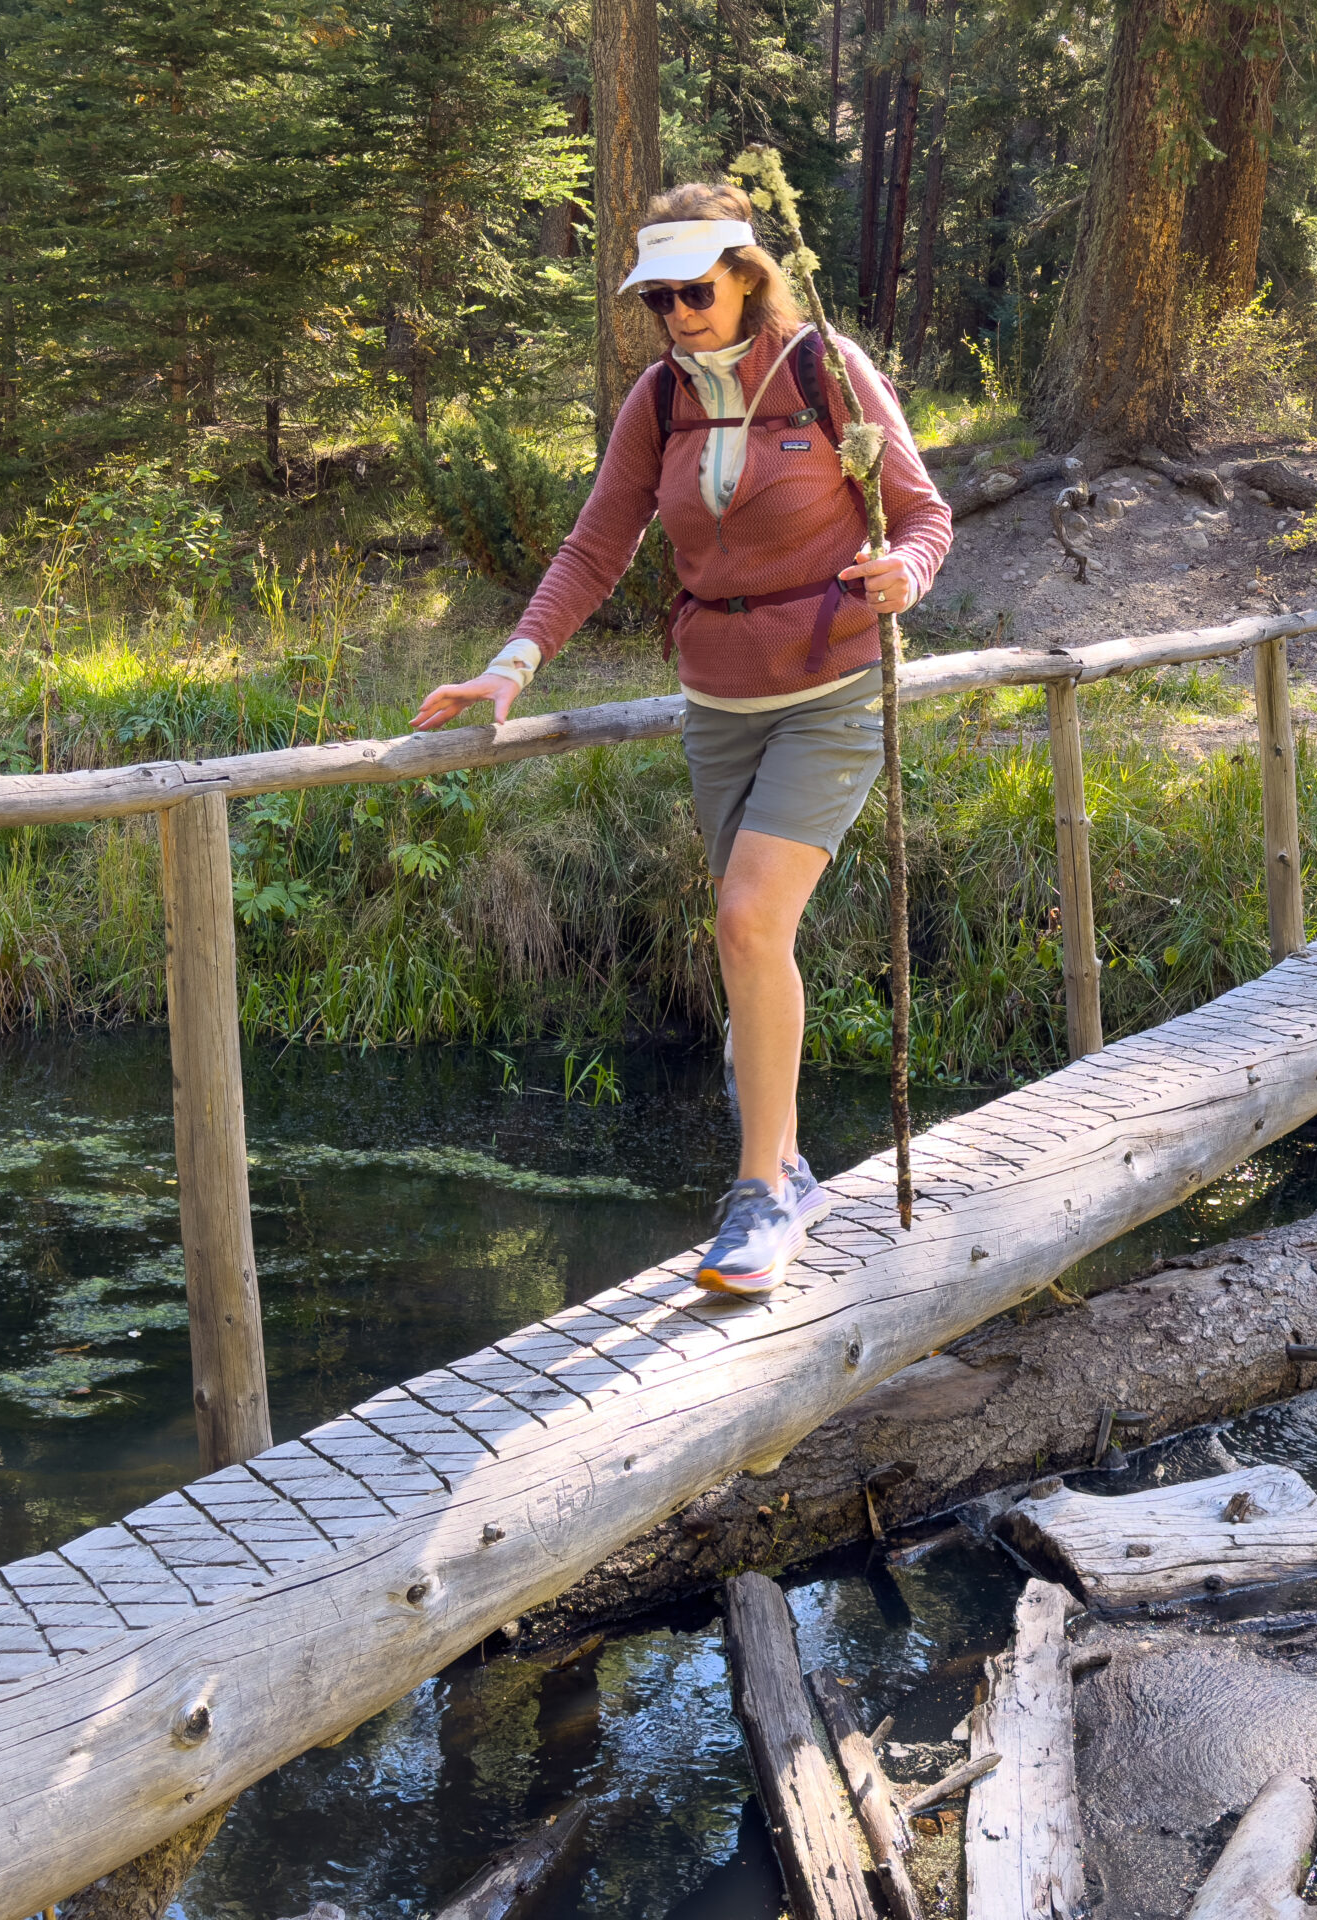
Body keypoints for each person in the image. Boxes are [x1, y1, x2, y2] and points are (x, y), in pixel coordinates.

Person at [412, 181, 952, 1295]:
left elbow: (925, 510)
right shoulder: (657, 400)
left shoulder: (827, 372)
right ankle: (788, 1155)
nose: (674, 313)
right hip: (717, 707)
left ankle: (758, 1201)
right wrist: (511, 665)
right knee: (750, 941)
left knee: (747, 917)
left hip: (831, 688)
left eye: (693, 291)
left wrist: (908, 570)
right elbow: (592, 550)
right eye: (656, 298)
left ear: (747, 277)